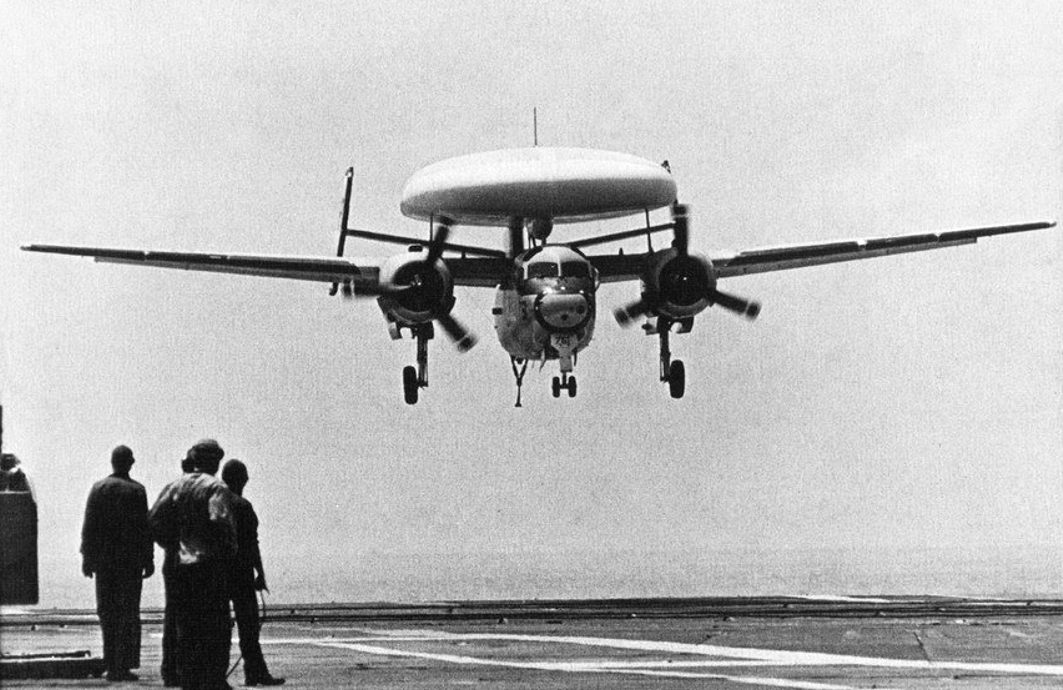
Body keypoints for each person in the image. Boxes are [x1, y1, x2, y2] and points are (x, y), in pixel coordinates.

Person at [148, 439, 236, 690]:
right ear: (214, 462)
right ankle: (214, 678)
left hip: (179, 566)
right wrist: (229, 553)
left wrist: (171, 543)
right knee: (216, 624)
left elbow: (153, 520)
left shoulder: (175, 486)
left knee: (184, 625)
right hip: (209, 566)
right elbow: (220, 521)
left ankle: (187, 677)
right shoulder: (216, 487)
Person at [80, 445, 155, 682]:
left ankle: (111, 662)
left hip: (104, 562)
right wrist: (149, 558)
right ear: (129, 463)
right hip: (130, 563)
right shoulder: (137, 490)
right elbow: (144, 529)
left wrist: (87, 558)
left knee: (107, 612)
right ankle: (123, 665)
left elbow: (89, 525)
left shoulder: (98, 488)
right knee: (128, 612)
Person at [222, 460, 285, 686]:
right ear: (242, 479)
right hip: (241, 574)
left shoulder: (216, 503)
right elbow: (252, 544)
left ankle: (217, 674)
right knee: (249, 626)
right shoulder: (243, 506)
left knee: (219, 627)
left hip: (219, 573)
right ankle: (255, 672)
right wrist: (260, 573)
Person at [159, 454, 197, 687]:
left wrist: (170, 545)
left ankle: (171, 670)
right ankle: (186, 670)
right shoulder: (205, 490)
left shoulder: (172, 490)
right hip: (196, 562)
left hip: (174, 560)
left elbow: (154, 521)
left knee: (173, 616)